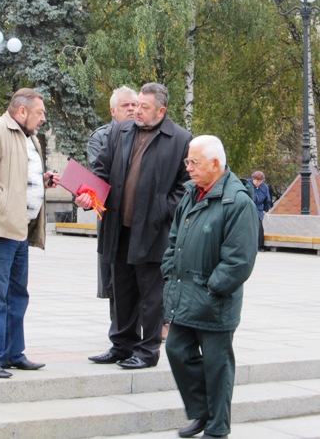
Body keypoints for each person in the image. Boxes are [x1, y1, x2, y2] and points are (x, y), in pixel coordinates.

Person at [76, 82, 192, 369]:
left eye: (144, 107)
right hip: (119, 226)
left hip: (153, 231)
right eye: (136, 105)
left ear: (161, 110)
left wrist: (163, 209)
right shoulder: (120, 131)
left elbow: (187, 185)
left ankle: (146, 351)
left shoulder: (180, 139)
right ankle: (121, 344)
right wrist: (88, 196)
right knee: (121, 290)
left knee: (151, 295)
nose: (136, 111)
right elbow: (101, 169)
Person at [161, 135, 258, 439]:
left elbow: (239, 260)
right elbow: (174, 239)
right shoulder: (192, 194)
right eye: (187, 161)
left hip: (215, 300)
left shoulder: (238, 201)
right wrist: (168, 270)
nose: (187, 168)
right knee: (176, 348)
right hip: (185, 294)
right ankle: (201, 412)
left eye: (194, 162)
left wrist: (212, 288)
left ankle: (217, 428)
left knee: (217, 366)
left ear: (215, 164)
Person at [0, 88, 61, 379]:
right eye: (39, 112)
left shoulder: (30, 138)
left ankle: (11, 353)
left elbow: (16, 173)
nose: (43, 118)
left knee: (17, 296)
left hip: (18, 230)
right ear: (22, 111)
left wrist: (40, 181)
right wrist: (5, 202)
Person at [86, 87, 139, 343]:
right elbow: (102, 176)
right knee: (115, 280)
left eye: (134, 104)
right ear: (112, 110)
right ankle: (120, 336)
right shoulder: (102, 137)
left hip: (142, 219)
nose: (131, 109)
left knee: (144, 279)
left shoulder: (148, 133)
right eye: (125, 105)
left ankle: (146, 331)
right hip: (113, 218)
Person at [249, 170, 272, 252]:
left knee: (259, 226)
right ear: (253, 179)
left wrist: (265, 210)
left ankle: (260, 246)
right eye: (256, 180)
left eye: (260, 181)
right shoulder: (247, 184)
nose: (258, 182)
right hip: (248, 206)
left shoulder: (265, 187)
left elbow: (268, 200)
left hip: (258, 209)